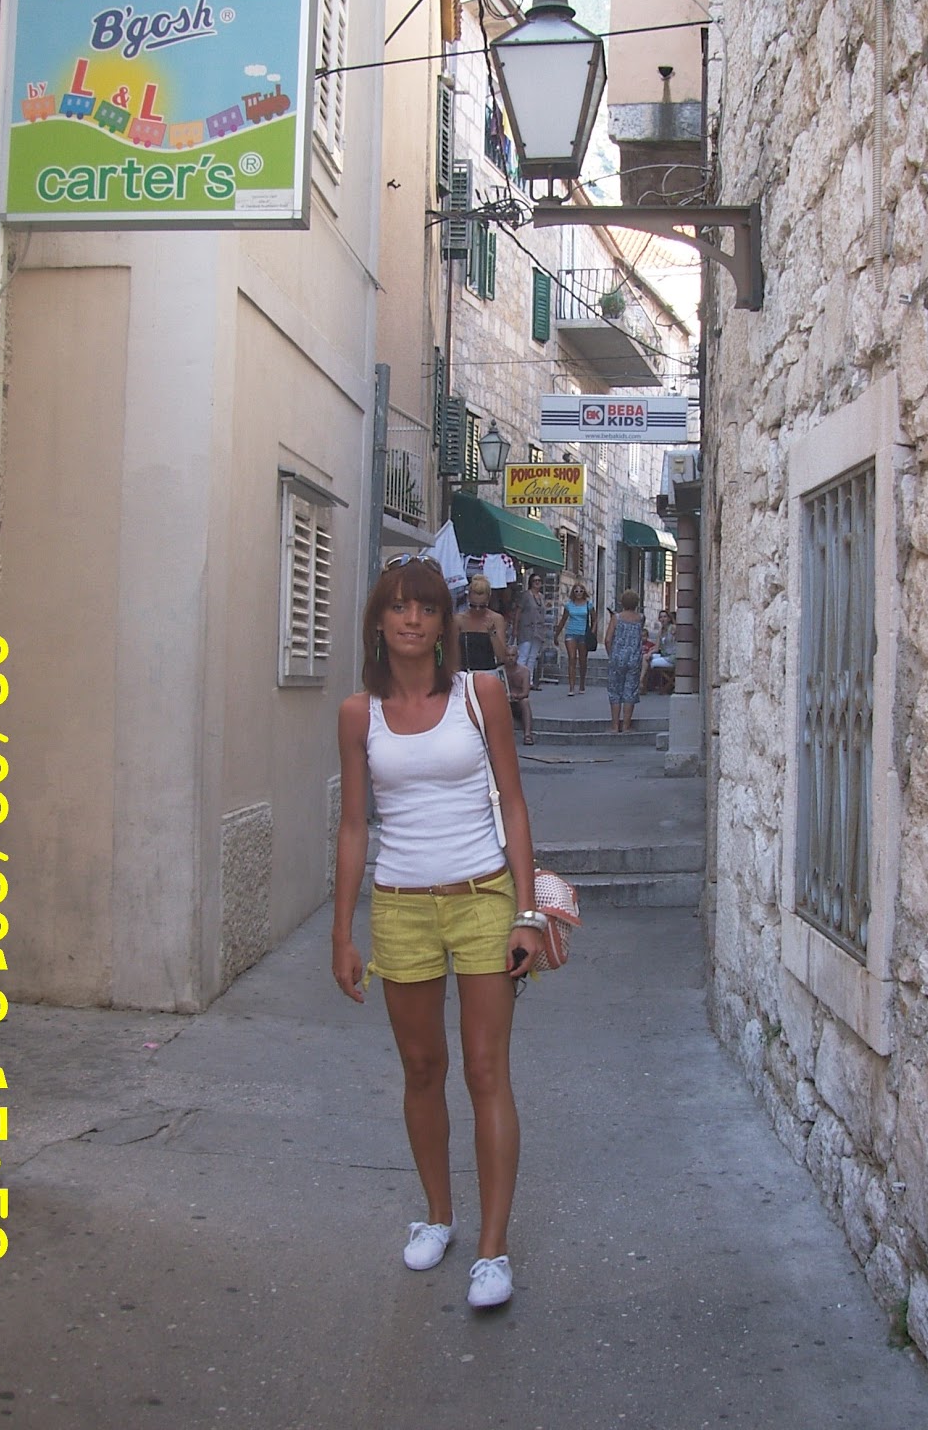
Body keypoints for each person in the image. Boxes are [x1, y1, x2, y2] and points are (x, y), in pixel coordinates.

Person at [331, 555, 542, 1310]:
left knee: (486, 1070)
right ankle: (438, 1216)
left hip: (483, 898)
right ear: (378, 622)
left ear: (444, 623)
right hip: (400, 905)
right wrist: (342, 933)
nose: (413, 619)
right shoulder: (358, 713)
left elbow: (512, 803)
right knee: (422, 1068)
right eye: (399, 607)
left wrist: (527, 912)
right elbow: (354, 827)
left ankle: (492, 1250)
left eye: (426, 608)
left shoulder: (479, 696)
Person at [604, 589, 644, 733]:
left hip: (617, 656)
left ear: (622, 602)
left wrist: (611, 654)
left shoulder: (617, 618)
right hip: (634, 657)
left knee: (615, 691)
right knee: (630, 691)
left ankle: (615, 726)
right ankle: (626, 726)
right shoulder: (641, 618)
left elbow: (608, 639)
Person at [455, 573, 510, 673]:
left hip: (488, 673)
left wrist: (492, 633)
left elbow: (502, 657)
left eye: (482, 606)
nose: (477, 610)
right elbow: (452, 653)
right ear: (468, 598)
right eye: (473, 605)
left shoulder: (496, 619)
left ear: (488, 600)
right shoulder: (458, 619)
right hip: (464, 674)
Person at [554, 580, 596, 695]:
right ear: (573, 592)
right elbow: (563, 620)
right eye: (576, 591)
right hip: (571, 633)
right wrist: (556, 635)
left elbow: (594, 619)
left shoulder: (588, 604)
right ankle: (571, 687)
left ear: (584, 592)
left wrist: (592, 632)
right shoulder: (569, 605)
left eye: (581, 591)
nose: (578, 593)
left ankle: (582, 684)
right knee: (572, 658)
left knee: (582, 660)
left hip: (583, 634)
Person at [511, 572, 548, 686]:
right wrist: (515, 628)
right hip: (526, 628)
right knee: (523, 655)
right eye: (535, 581)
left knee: (532, 657)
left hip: (538, 630)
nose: (537, 583)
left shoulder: (541, 597)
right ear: (530, 582)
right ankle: (518, 680)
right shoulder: (526, 595)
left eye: (539, 581)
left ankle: (529, 680)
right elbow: (518, 611)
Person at [501, 643, 534, 744]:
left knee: (525, 701)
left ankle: (527, 735)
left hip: (518, 701)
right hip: (504, 701)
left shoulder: (524, 671)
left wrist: (515, 696)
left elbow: (526, 692)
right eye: (508, 655)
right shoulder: (500, 671)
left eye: (513, 655)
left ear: (517, 656)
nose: (510, 658)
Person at [640, 609, 676, 695]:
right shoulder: (661, 631)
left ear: (669, 618)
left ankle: (642, 684)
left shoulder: (673, 628)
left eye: (665, 617)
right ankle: (641, 683)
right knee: (645, 657)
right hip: (664, 654)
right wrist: (649, 653)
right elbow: (656, 648)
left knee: (651, 662)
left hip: (672, 657)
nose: (663, 619)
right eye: (661, 617)